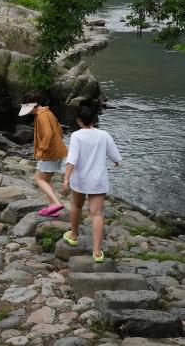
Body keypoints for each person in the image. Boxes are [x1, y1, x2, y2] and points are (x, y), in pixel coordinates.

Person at [62, 103, 122, 263]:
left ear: (79, 120)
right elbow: (115, 156)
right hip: (98, 181)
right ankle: (97, 252)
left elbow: (72, 159)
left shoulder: (76, 136)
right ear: (93, 119)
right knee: (97, 214)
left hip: (80, 180)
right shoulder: (104, 135)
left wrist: (66, 178)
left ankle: (73, 236)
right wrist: (116, 162)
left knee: (76, 206)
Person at [20, 91, 68, 217]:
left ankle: (56, 203)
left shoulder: (42, 116)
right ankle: (53, 207)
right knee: (46, 180)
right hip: (57, 151)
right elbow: (59, 129)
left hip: (49, 153)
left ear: (32, 106)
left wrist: (41, 150)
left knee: (38, 178)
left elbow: (48, 134)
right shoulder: (47, 112)